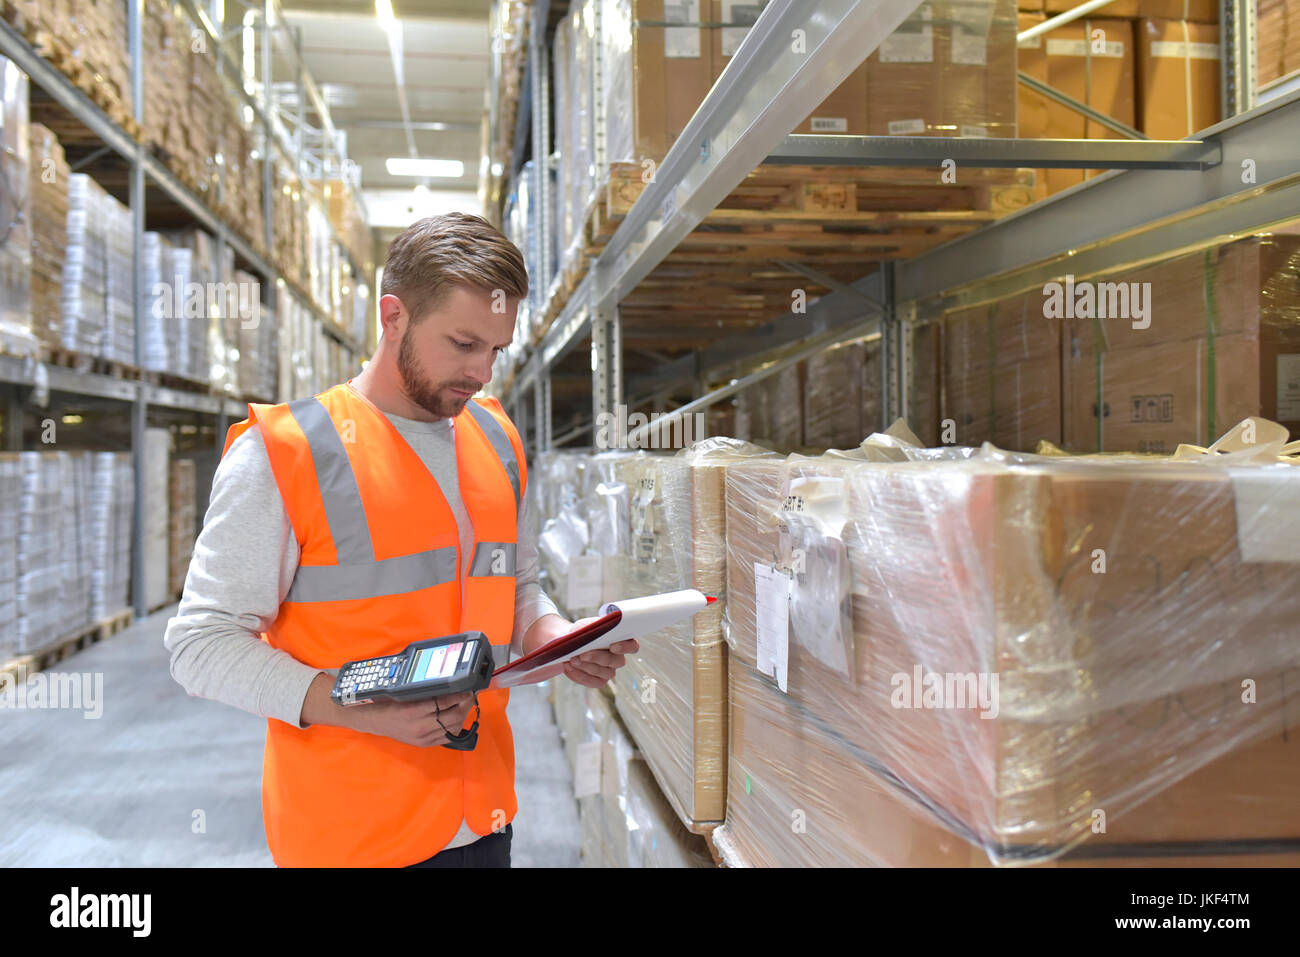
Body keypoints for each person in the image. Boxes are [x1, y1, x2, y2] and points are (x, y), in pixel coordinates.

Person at [164, 212, 637, 868]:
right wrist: (359, 709)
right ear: (394, 317)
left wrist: (552, 638)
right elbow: (199, 644)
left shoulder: (496, 438)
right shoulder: (288, 453)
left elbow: (517, 585)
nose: (483, 373)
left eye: (497, 349)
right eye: (464, 343)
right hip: (351, 836)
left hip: (482, 816)